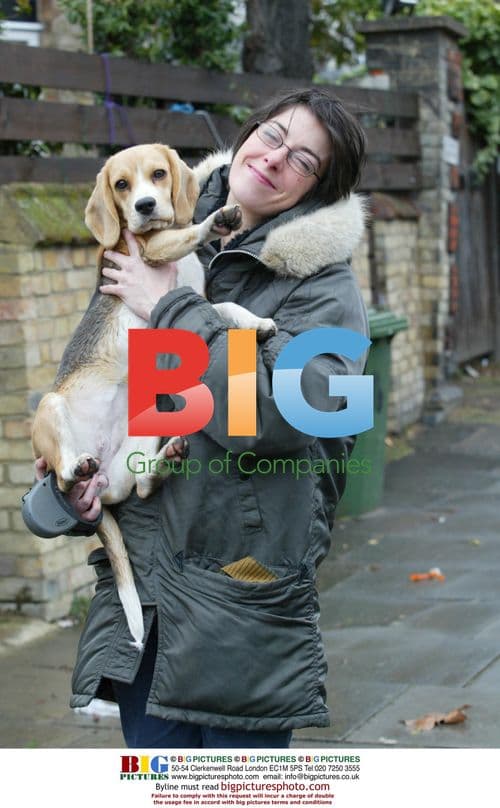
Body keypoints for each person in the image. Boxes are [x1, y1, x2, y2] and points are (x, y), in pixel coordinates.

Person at [37, 88, 369, 748]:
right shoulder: (151, 234)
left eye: (303, 159)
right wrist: (70, 483)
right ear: (247, 133)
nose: (275, 159)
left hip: (241, 616)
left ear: (319, 187)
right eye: (273, 135)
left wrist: (173, 310)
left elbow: (287, 418)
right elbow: (123, 398)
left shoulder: (332, 288)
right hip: (148, 613)